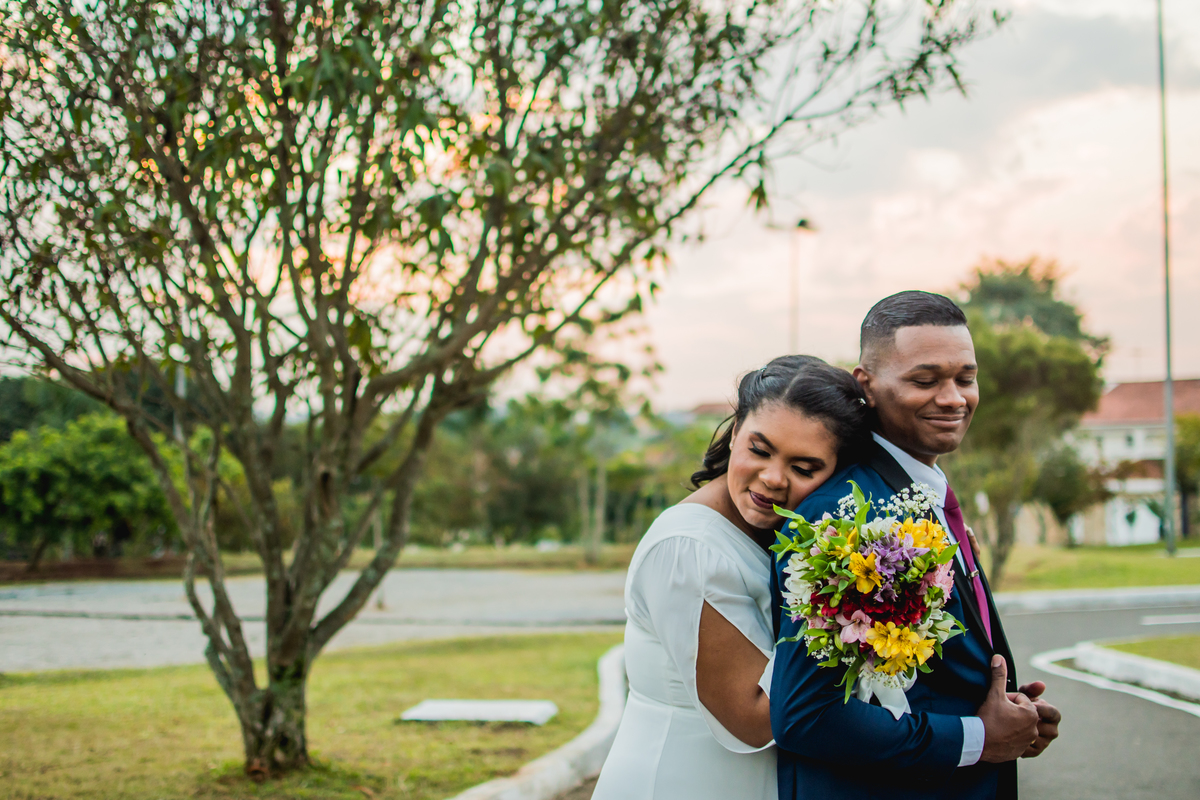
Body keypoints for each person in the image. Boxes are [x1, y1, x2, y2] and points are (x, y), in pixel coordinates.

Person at [770, 291, 1062, 800]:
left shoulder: (919, 493)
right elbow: (807, 715)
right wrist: (979, 738)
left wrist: (1010, 719)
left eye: (965, 379)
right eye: (924, 381)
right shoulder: (852, 518)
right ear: (867, 385)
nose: (953, 398)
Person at [591, 355, 872, 800]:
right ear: (736, 430)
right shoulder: (689, 551)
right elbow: (753, 719)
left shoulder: (780, 533)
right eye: (759, 450)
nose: (772, 478)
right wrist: (866, 614)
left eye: (804, 468)